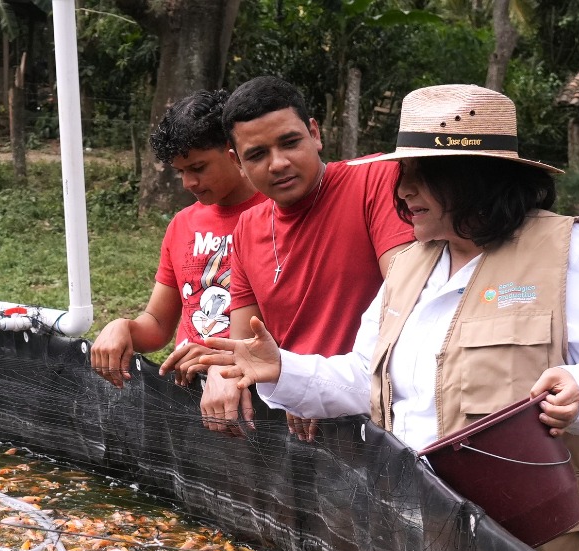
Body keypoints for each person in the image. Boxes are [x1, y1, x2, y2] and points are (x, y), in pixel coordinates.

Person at [198, 84, 579, 551]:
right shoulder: (411, 268)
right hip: (430, 538)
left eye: (420, 176)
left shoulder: (567, 252)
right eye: (401, 176)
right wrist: (281, 369)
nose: (402, 192)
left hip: (542, 548)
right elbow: (368, 377)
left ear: (472, 177)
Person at [161, 75, 414, 432]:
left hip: (374, 415)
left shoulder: (372, 180)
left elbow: (406, 301)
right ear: (237, 161)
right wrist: (225, 371)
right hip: (292, 421)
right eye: (257, 154)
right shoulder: (248, 227)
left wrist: (313, 386)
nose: (278, 163)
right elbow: (244, 343)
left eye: (290, 142)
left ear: (314, 133)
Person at [90, 89, 263, 388]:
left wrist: (225, 360)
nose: (188, 183)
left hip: (258, 393)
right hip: (188, 392)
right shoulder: (182, 225)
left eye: (198, 168)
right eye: (180, 172)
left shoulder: (276, 215)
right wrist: (123, 328)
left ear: (232, 150)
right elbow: (157, 324)